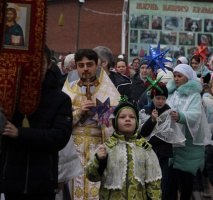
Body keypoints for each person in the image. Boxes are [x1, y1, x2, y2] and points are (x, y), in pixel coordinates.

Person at [0, 44, 73, 200]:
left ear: (48, 65)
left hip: (43, 181)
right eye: (30, 62)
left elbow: (60, 136)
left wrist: (20, 133)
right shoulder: (9, 94)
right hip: (12, 179)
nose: (35, 68)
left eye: (41, 63)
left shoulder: (60, 99)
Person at [62, 49, 120, 200]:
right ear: (76, 67)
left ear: (97, 66)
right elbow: (61, 122)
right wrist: (79, 113)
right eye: (81, 65)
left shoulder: (108, 90)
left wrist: (98, 111)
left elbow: (117, 122)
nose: (85, 69)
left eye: (89, 64)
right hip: (74, 150)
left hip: (98, 147)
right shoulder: (68, 90)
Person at [85, 100, 162, 199]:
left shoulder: (144, 148)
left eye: (132, 117)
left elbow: (154, 182)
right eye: (122, 117)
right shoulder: (107, 147)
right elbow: (92, 176)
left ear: (137, 122)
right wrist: (99, 160)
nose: (127, 119)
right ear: (116, 121)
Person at [166, 64, 207, 200]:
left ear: (187, 77)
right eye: (175, 76)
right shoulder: (171, 92)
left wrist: (180, 116)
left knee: (186, 181)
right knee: (171, 181)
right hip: (172, 142)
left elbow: (195, 115)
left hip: (188, 143)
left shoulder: (194, 95)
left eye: (180, 76)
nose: (176, 79)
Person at [139, 83, 184, 200]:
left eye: (163, 98)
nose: (160, 101)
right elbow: (143, 133)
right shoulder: (146, 111)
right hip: (149, 152)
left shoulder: (169, 112)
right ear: (153, 98)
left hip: (164, 154)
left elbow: (169, 134)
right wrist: (152, 120)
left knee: (163, 181)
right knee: (148, 179)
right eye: (158, 98)